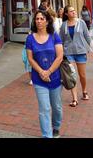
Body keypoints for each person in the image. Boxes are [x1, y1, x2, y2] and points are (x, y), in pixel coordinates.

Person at [26, 10, 63, 139]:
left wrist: (49, 72)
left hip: (55, 78)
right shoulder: (30, 38)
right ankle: (47, 135)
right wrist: (42, 72)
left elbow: (59, 57)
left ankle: (56, 127)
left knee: (57, 107)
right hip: (39, 79)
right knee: (44, 109)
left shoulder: (54, 36)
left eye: (42, 19)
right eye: (37, 19)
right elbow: (30, 58)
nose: (39, 21)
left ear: (47, 21)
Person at [59, 5, 93, 106]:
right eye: (71, 11)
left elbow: (87, 37)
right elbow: (60, 41)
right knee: (72, 75)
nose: (74, 12)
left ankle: (84, 91)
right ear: (67, 14)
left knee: (82, 75)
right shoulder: (63, 25)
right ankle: (75, 99)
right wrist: (59, 53)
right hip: (68, 53)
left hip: (81, 52)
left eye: (74, 10)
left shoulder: (81, 23)